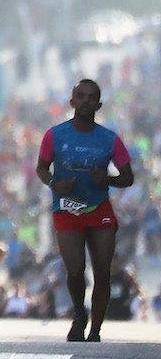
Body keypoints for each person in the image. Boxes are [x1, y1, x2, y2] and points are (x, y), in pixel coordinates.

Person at [35, 79, 135, 342]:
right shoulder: (54, 135)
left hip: (99, 210)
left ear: (99, 104)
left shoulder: (110, 139)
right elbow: (41, 169)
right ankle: (79, 314)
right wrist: (55, 182)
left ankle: (95, 330)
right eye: (81, 96)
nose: (86, 101)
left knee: (102, 272)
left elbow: (128, 178)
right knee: (75, 271)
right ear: (72, 101)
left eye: (92, 97)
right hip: (67, 210)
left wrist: (109, 180)